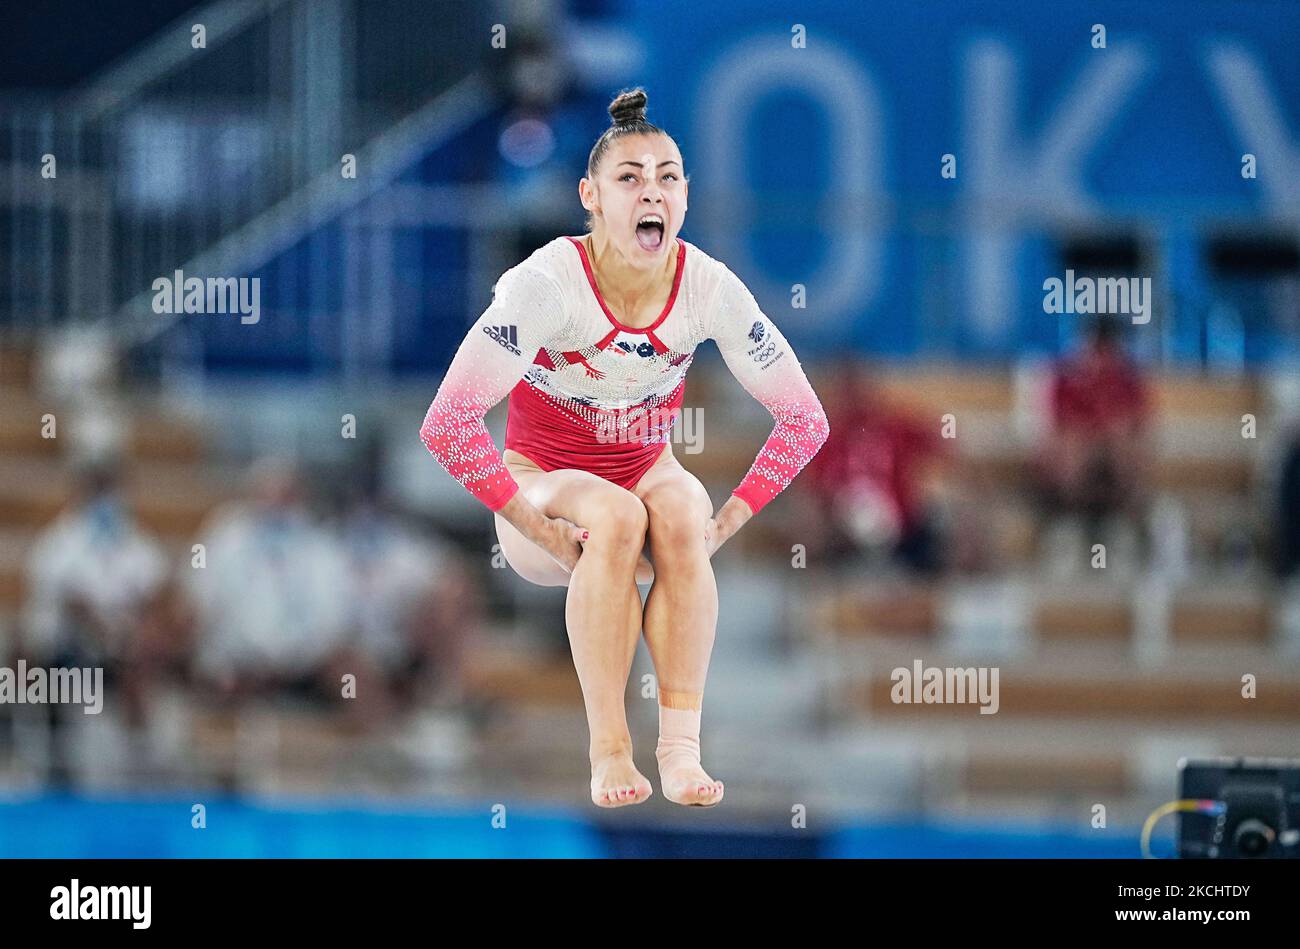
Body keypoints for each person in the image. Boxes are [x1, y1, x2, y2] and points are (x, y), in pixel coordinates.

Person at [420, 88, 830, 808]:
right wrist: (536, 523)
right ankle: (608, 747)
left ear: (686, 196)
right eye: (630, 177)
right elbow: (447, 422)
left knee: (681, 511)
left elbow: (804, 419)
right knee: (614, 517)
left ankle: (678, 747)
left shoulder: (708, 287)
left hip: (649, 469)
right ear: (591, 195)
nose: (653, 191)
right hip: (541, 482)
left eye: (668, 176)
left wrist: (730, 518)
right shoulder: (545, 285)